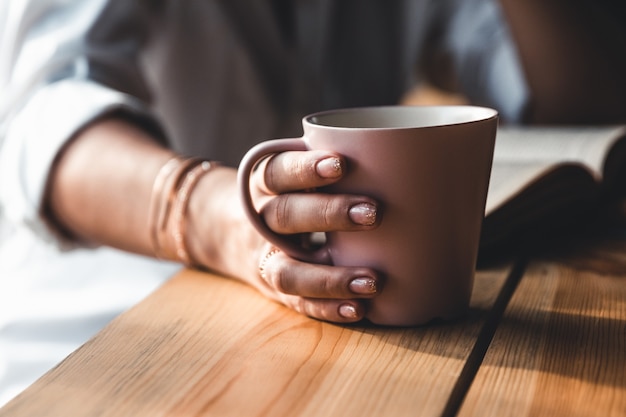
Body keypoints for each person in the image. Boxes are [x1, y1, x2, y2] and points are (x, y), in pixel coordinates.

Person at [0, 0, 624, 405]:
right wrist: (219, 219)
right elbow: (41, 120)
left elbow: (575, 98)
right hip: (101, 343)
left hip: (334, 339)